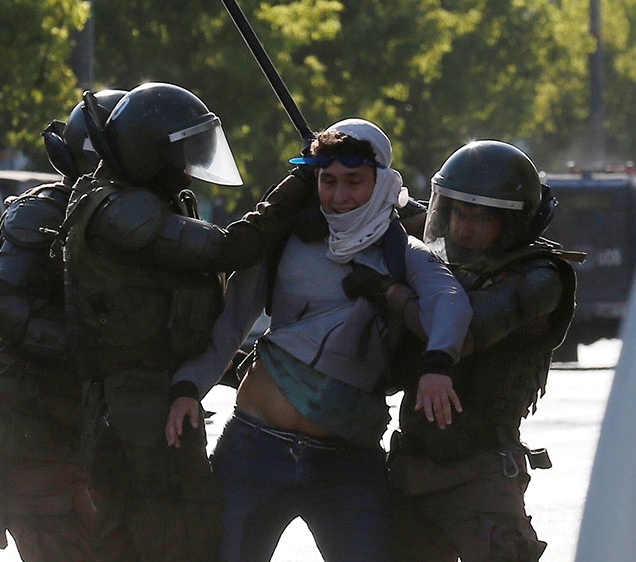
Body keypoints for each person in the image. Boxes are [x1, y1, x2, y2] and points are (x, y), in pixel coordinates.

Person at [165, 118, 473, 562]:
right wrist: (188, 388)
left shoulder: (401, 252)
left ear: (382, 182)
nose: (340, 195)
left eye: (355, 181)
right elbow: (229, 325)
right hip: (253, 451)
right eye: (328, 180)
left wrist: (437, 367)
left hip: (347, 461)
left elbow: (449, 300)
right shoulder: (283, 242)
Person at [61, 82, 316, 562]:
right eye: (179, 156)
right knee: (180, 529)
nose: (187, 169)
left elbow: (167, 313)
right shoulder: (120, 208)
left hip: (147, 392)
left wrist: (232, 364)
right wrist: (300, 180)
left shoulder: (138, 198)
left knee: (132, 536)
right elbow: (228, 249)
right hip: (140, 401)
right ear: (146, 153)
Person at [347, 140, 584, 562]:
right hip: (410, 468)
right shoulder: (436, 260)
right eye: (459, 212)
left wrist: (392, 293)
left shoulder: (540, 278)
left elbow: (459, 332)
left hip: (481, 472)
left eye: (483, 217)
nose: (465, 227)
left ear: (512, 222)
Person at [0, 89, 128, 561]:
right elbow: (2, 305)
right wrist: (101, 351)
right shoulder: (46, 213)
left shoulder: (130, 220)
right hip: (33, 432)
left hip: (95, 433)